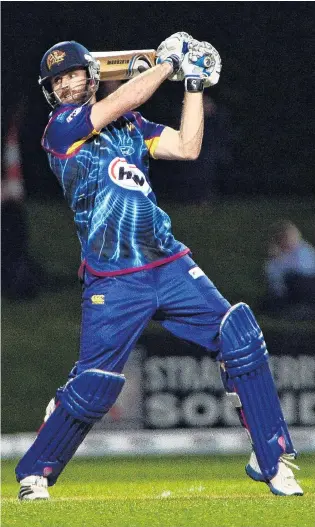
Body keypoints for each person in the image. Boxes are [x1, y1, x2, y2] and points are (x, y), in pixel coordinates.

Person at [16, 33, 303, 500]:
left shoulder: (131, 126)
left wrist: (192, 86)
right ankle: (36, 474)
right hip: (114, 275)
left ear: (91, 76)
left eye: (73, 75)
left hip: (168, 262)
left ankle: (272, 461)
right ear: (53, 92)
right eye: (58, 81)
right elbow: (123, 97)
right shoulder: (62, 128)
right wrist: (168, 65)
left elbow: (187, 147)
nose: (67, 85)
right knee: (94, 386)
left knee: (240, 337)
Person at [263, 220, 315, 318]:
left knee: (296, 279)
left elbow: (307, 270)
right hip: (289, 292)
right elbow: (275, 280)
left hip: (307, 286)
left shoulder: (304, 250)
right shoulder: (276, 257)